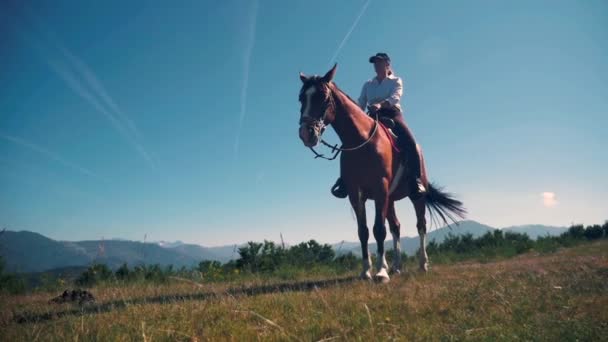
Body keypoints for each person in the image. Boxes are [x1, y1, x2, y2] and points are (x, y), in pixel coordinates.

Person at [331, 52, 427, 200]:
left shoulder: (395, 80)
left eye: (379, 62)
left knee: (410, 141)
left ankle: (416, 180)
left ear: (387, 64)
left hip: (392, 113)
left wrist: (381, 104)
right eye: (375, 63)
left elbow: (395, 97)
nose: (376, 65)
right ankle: (344, 181)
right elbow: (361, 104)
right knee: (349, 144)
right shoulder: (368, 84)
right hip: (372, 117)